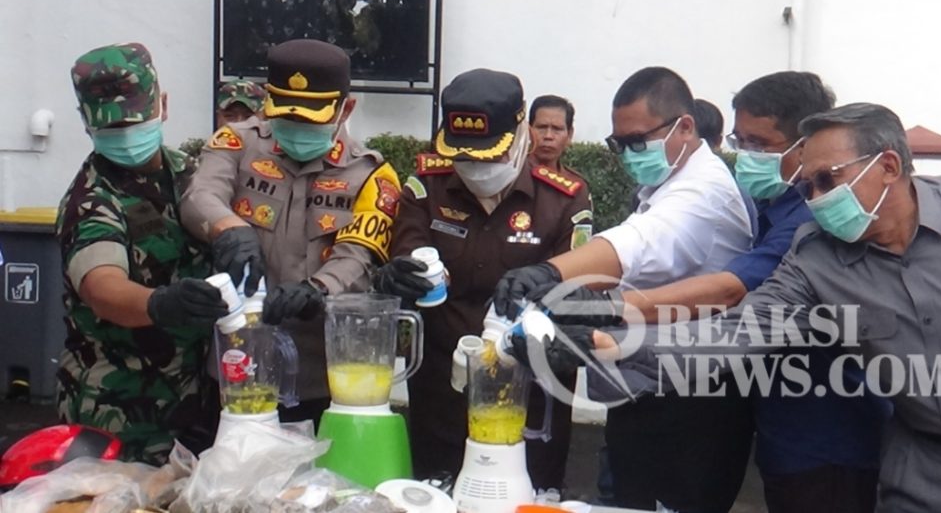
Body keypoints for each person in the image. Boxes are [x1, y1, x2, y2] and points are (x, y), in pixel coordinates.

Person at [544, 102, 941, 513]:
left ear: (889, 166)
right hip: (920, 474)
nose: (815, 200)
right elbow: (735, 333)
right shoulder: (816, 257)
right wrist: (612, 343)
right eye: (807, 185)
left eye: (827, 180)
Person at [533, 72, 890, 513]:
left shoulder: (806, 219)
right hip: (764, 415)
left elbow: (729, 292)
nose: (746, 155)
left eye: (760, 144)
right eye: (741, 141)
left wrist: (606, 308)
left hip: (821, 432)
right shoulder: (770, 204)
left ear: (804, 146)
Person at [494, 67, 754, 512]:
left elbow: (637, 245)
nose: (629, 154)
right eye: (619, 144)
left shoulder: (703, 192)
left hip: (692, 402)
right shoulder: (666, 181)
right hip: (644, 384)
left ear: (684, 127)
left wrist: (551, 273)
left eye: (637, 141)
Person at [376, 69, 593, 490]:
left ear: (520, 136)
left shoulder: (563, 199)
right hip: (442, 388)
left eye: (488, 155)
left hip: (528, 391)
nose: (475, 168)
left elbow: (576, 284)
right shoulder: (427, 187)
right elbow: (408, 249)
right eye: (463, 156)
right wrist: (399, 275)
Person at [181, 39, 400, 422]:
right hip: (236, 368)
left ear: (346, 108)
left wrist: (318, 289)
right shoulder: (237, 144)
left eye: (311, 120)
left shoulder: (371, 174)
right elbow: (200, 195)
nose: (297, 128)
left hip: (321, 378)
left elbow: (358, 256)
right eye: (285, 116)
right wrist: (230, 229)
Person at [56, 42, 228, 464]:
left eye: (133, 120)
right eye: (112, 127)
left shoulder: (188, 174)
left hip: (193, 405)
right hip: (118, 416)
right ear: (87, 124)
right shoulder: (91, 200)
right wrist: (160, 303)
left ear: (162, 105)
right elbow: (102, 286)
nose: (126, 135)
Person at [528, 95, 575, 171]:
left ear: (569, 134)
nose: (548, 136)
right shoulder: (512, 174)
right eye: (541, 127)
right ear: (529, 131)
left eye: (557, 129)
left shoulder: (572, 178)